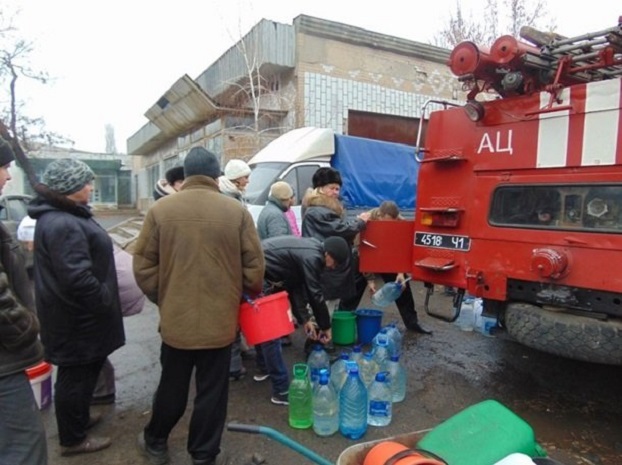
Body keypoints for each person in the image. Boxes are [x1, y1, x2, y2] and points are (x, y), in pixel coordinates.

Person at [133, 147, 264, 465]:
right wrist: (236, 294)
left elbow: (143, 266)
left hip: (177, 323)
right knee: (212, 392)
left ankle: (155, 442)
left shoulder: (160, 211)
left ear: (186, 176)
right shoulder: (236, 212)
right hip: (219, 324)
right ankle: (203, 455)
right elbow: (255, 270)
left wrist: (164, 297)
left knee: (172, 386)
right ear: (217, 176)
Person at [28, 158, 125, 457]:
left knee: (85, 373)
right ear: (70, 188)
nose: (90, 187)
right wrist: (104, 298)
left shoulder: (64, 216)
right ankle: (72, 439)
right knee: (76, 377)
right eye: (85, 182)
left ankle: (79, 419)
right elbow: (77, 277)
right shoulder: (63, 223)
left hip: (77, 317)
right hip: (77, 319)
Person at [254, 235, 350, 405]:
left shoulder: (311, 250)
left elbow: (295, 286)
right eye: (335, 263)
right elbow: (315, 294)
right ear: (328, 254)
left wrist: (305, 319)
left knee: (264, 329)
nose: (333, 267)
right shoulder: (312, 257)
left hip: (262, 272)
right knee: (271, 333)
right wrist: (325, 326)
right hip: (259, 274)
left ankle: (264, 368)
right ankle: (281, 390)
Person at [0, 138, 47, 465]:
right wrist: (27, 326)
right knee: (23, 448)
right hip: (5, 363)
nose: (6, 176)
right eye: (3, 167)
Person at [301, 167, 370, 312]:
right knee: (324, 309)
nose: (336, 192)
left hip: (326, 267)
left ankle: (323, 331)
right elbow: (339, 229)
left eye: (337, 189)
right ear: (320, 189)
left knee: (328, 307)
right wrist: (361, 222)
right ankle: (320, 333)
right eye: (332, 188)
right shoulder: (318, 211)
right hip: (326, 268)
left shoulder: (320, 209)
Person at [365, 201, 431, 334]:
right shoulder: (366, 220)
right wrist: (370, 279)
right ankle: (342, 317)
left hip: (388, 257)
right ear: (380, 215)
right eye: (387, 222)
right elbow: (364, 251)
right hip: (369, 255)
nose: (390, 226)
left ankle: (412, 323)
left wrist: (400, 273)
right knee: (353, 289)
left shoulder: (401, 223)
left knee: (403, 289)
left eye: (393, 222)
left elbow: (401, 250)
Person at [218, 158, 253, 380]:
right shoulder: (229, 200)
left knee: (233, 318)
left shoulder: (233, 195)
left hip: (228, 266)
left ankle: (235, 356)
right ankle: (232, 367)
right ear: (236, 178)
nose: (248, 180)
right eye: (245, 176)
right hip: (231, 267)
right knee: (231, 319)